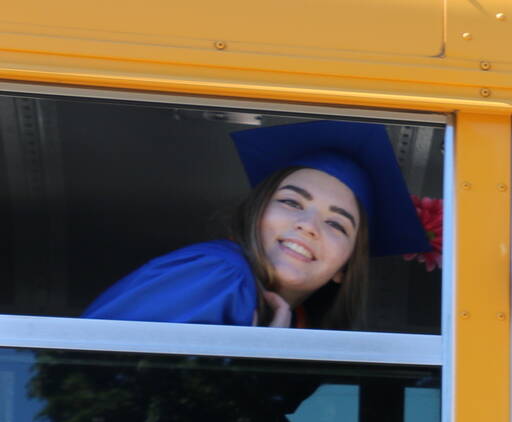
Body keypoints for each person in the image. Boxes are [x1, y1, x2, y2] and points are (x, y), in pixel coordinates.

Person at [84, 120, 427, 329]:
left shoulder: (287, 319)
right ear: (256, 212)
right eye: (292, 202)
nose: (308, 226)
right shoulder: (221, 273)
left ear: (345, 268)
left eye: (337, 224)